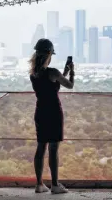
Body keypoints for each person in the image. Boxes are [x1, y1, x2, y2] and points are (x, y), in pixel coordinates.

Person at [29, 38, 75, 194]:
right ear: (49, 54)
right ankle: (55, 184)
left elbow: (51, 86)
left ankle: (39, 184)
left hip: (40, 112)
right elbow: (69, 85)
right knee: (53, 149)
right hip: (54, 112)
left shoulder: (33, 74)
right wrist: (72, 72)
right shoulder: (53, 72)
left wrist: (64, 72)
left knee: (41, 147)